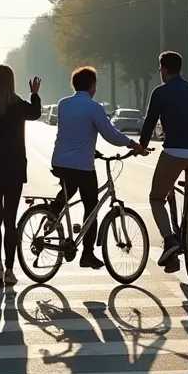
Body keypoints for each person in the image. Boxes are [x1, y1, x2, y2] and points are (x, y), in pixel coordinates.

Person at [51, 66, 146, 269]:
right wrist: (132, 144)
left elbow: (73, 131)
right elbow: (110, 134)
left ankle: (51, 214)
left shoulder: (63, 104)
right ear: (92, 86)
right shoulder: (93, 107)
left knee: (69, 190)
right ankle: (87, 254)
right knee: (91, 208)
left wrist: (90, 149)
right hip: (81, 166)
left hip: (59, 161)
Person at [139, 51, 188, 271]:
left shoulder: (160, 92)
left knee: (156, 198)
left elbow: (150, 122)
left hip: (175, 152)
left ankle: (170, 241)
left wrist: (141, 146)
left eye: (160, 69)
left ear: (164, 69)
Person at [0, 65, 42, 286]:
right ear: (11, 81)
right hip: (13, 169)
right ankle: (10, 270)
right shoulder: (17, 104)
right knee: (10, 221)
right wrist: (34, 94)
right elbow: (35, 113)